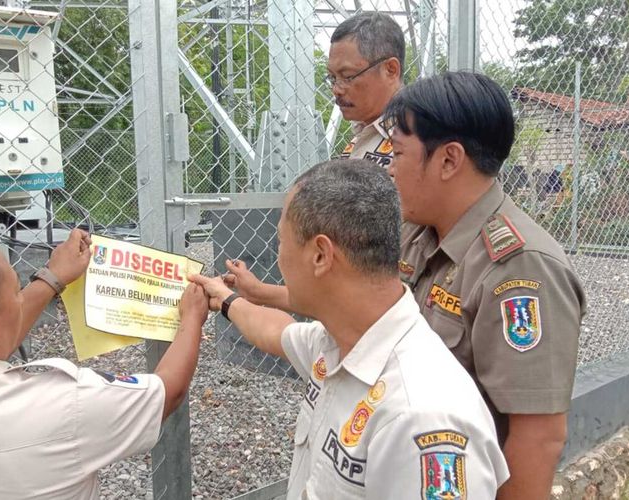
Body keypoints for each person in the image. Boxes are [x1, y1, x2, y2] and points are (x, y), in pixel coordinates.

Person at [220, 72, 587, 500]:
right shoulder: (418, 233)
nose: (389, 168)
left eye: (397, 152)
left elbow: (538, 438)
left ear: (448, 160)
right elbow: (350, 296)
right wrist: (256, 295)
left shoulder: (521, 269)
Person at [190, 159, 508, 499]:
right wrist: (224, 299)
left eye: (281, 241)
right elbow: (276, 331)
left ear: (321, 255)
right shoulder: (342, 341)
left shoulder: (421, 418)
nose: (278, 257)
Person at [0, 227, 208, 499]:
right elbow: (168, 391)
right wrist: (192, 316)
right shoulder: (64, 406)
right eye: (17, 292)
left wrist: (53, 276)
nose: (21, 299)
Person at [328, 12, 404, 168]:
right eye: (332, 77)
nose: (336, 90)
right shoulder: (365, 132)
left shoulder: (420, 137)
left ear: (390, 70)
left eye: (347, 76)